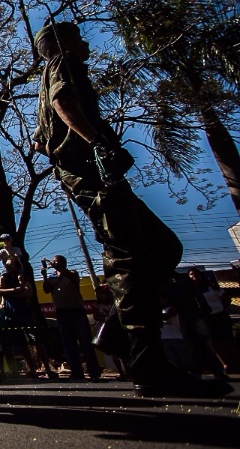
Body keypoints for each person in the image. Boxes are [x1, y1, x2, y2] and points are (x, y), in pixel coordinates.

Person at [33, 20, 230, 398]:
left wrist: (67, 154)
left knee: (163, 246)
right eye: (77, 35)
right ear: (62, 42)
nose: (85, 42)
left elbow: (41, 144)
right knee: (130, 258)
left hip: (88, 177)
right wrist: (96, 143)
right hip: (94, 176)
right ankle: (148, 366)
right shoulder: (63, 63)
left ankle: (121, 333)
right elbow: (64, 103)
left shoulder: (43, 85)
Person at [41, 255, 101, 381]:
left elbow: (70, 275)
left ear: (63, 263)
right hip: (61, 313)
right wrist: (45, 275)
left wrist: (57, 266)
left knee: (85, 342)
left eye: (57, 261)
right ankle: (76, 372)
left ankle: (93, 371)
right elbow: (46, 290)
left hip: (76, 311)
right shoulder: (52, 278)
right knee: (69, 344)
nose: (54, 263)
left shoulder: (72, 273)